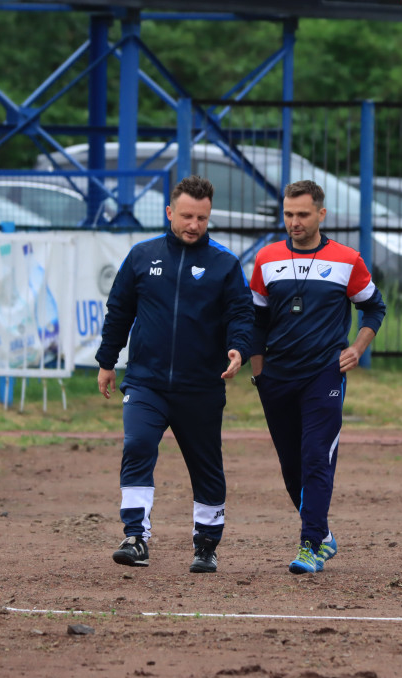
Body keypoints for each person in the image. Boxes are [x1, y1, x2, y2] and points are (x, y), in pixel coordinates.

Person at [96, 175, 253, 574]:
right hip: (146, 382)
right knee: (138, 445)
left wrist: (238, 347)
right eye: (186, 216)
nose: (193, 225)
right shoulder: (141, 256)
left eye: (201, 218)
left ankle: (206, 545)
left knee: (206, 466)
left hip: (201, 386)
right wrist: (106, 360)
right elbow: (119, 311)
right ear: (170, 212)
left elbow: (240, 314)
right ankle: (135, 537)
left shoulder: (225, 264)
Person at [249, 179, 387, 574]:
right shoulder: (266, 259)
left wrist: (357, 348)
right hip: (276, 377)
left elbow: (374, 308)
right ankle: (323, 534)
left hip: (323, 375)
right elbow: (255, 319)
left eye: (303, 214)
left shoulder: (347, 259)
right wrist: (259, 372)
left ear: (321, 214)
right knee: (292, 467)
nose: (294, 222)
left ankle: (309, 545)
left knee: (315, 458)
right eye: (289, 214)